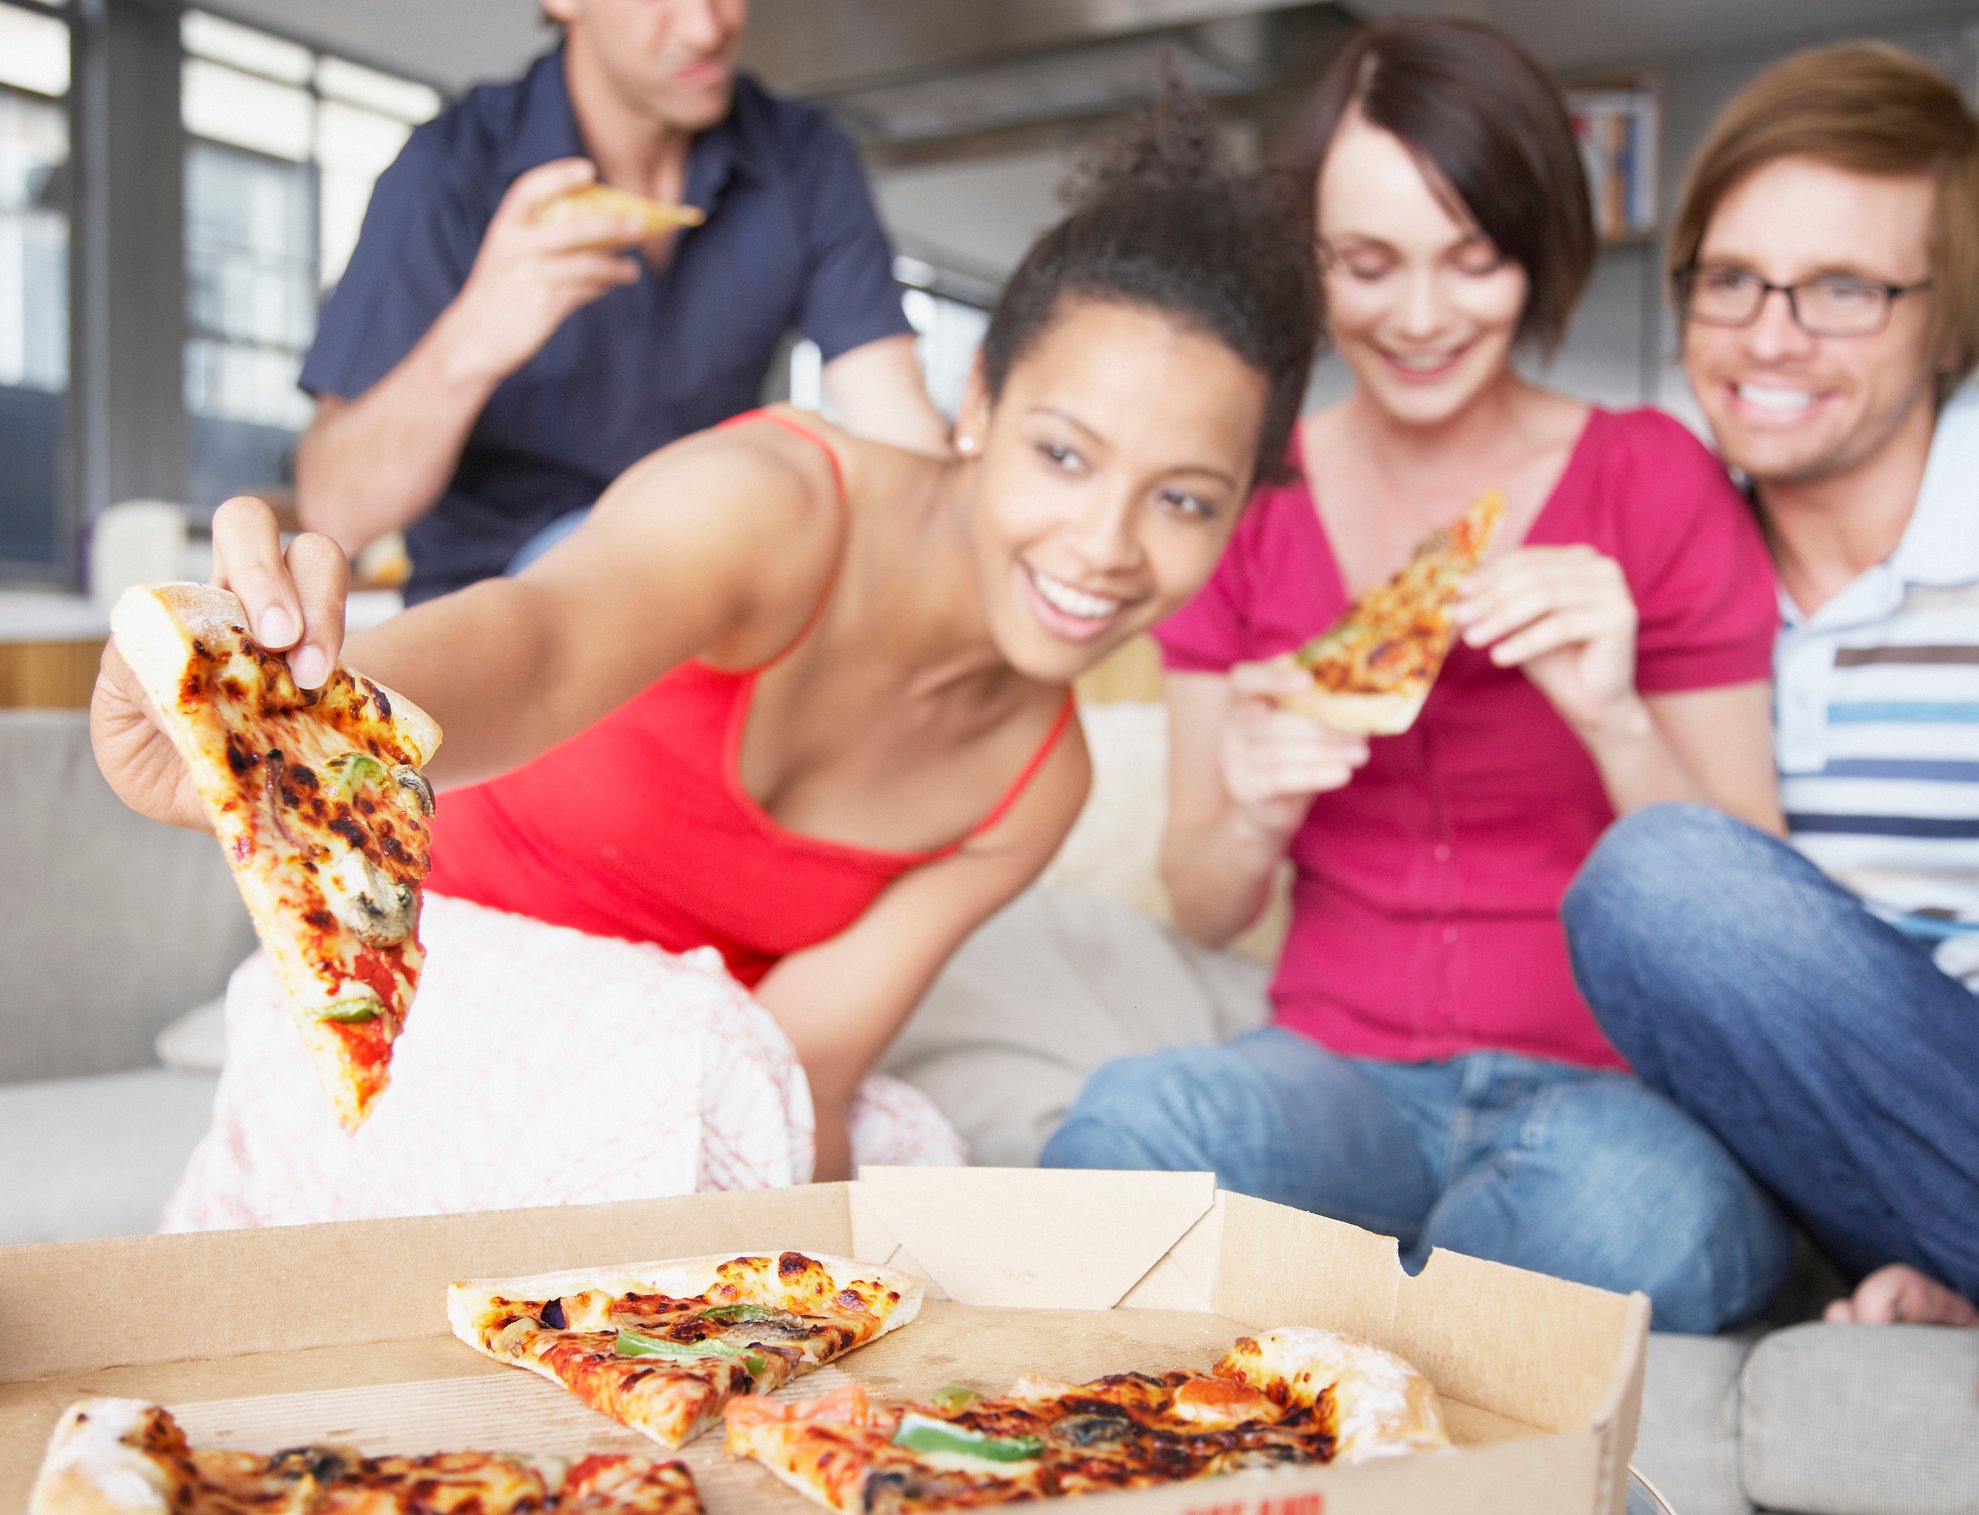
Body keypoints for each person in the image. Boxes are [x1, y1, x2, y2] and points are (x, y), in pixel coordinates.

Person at [90, 96, 1321, 1227]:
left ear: (1239, 515)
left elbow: (804, 1062)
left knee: (894, 1155)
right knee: (707, 1072)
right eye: (1063, 454)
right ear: (981, 401)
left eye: (1182, 499)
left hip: (674, 1091)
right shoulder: (774, 501)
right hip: (421, 988)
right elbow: (538, 644)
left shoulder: (1037, 783)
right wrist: (280, 726)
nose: (1102, 543)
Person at [1039, 19, 1793, 1334]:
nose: (1422, 316)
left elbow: (1750, 907)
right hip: (1333, 1082)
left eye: (1472, 258)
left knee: (1645, 1217)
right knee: (1130, 1123)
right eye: (1367, 264)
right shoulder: (1245, 500)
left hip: (1599, 1094)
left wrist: (1614, 716)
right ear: (1307, 262)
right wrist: (1254, 805)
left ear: (1535, 243)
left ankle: (1358, 1329)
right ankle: (1444, 1320)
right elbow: (1204, 902)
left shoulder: (1651, 475)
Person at [1564, 42, 1979, 1330]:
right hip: (1830, 1176)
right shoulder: (1670, 579)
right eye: (1730, 280)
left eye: (1841, 289)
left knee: (1660, 878)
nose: (1767, 337)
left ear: (1947, 319)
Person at [294, 0, 949, 604]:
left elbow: (896, 428)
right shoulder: (449, 168)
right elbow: (337, 513)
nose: (705, 26)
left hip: (709, 594)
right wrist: (471, 340)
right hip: (498, 611)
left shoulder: (803, 158)